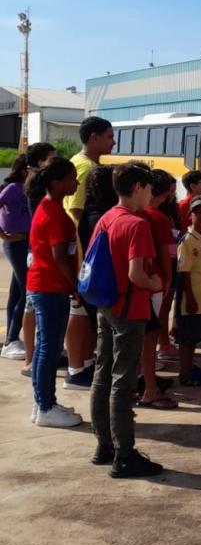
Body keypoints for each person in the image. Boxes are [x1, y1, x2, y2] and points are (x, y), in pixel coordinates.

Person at [88, 161, 164, 478]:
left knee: (103, 373)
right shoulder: (137, 225)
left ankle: (104, 445)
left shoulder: (106, 218)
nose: (150, 195)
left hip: (105, 304)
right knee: (124, 380)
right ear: (137, 188)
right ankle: (125, 454)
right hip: (130, 308)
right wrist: (155, 284)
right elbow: (136, 273)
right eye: (148, 188)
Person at [26, 157, 83, 428]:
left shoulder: (48, 208)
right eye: (72, 178)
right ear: (56, 182)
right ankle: (46, 405)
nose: (77, 182)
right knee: (49, 348)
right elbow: (60, 257)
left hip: (45, 285)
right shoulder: (54, 214)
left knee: (45, 348)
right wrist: (74, 287)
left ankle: (42, 403)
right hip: (51, 287)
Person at [62, 116, 115, 390]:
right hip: (83, 256)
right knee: (79, 311)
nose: (113, 141)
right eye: (109, 136)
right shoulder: (82, 167)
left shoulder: (91, 165)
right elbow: (75, 215)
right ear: (93, 137)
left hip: (87, 255)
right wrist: (82, 262)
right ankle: (75, 368)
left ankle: (83, 362)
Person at [138, 169, 178, 409]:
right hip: (155, 283)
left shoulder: (136, 213)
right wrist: (169, 280)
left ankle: (143, 380)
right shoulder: (160, 218)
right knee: (149, 335)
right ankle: (149, 387)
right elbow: (167, 253)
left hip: (140, 284)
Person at [20, 143, 57, 374]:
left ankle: (30, 357)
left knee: (30, 306)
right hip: (38, 254)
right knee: (32, 307)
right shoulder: (39, 187)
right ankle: (30, 359)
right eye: (52, 158)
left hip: (34, 252)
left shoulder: (35, 182)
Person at [175, 197, 201, 386]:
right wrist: (189, 298)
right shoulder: (187, 240)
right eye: (196, 212)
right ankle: (184, 373)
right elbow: (183, 273)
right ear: (189, 215)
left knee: (195, 337)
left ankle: (190, 368)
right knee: (187, 339)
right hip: (192, 300)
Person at [1, 155, 31, 361]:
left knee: (16, 291)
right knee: (26, 291)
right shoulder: (13, 188)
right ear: (23, 171)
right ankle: (11, 338)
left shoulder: (28, 189)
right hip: (16, 243)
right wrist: (4, 234)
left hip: (25, 242)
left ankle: (10, 340)